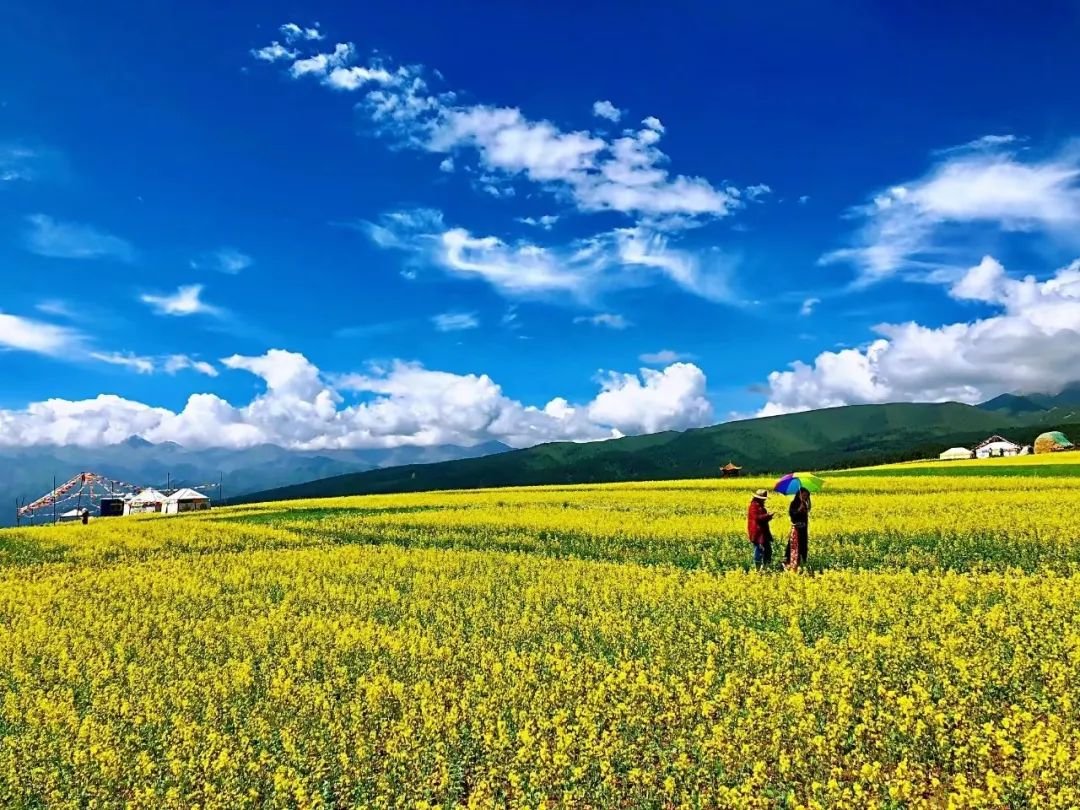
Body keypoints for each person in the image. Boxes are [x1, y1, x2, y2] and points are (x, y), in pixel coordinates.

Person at [747, 489, 774, 569]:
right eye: (763, 499)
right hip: (757, 532)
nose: (764, 500)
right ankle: (758, 568)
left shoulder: (759, 506)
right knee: (759, 549)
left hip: (763, 531)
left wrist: (769, 516)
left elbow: (762, 519)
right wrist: (768, 515)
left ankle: (765, 567)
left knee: (768, 550)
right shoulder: (754, 506)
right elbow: (757, 518)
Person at [786, 487, 811, 570]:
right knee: (795, 546)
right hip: (797, 530)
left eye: (806, 496)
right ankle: (791, 565)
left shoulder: (805, 504)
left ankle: (801, 564)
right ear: (799, 495)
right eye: (803, 495)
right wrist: (798, 510)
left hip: (803, 529)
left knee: (803, 546)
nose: (805, 497)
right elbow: (792, 516)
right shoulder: (793, 503)